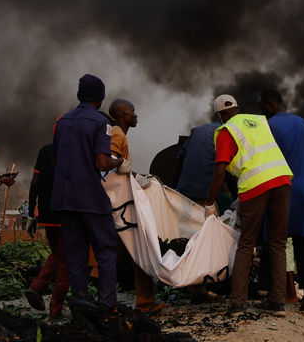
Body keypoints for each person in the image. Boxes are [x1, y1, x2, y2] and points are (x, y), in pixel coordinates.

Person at [204, 94, 293, 317]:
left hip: (256, 184)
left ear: (219, 116)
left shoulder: (227, 130)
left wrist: (208, 203)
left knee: (246, 243)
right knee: (277, 243)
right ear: (237, 107)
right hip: (282, 179)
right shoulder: (260, 122)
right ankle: (277, 303)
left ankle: (236, 305)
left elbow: (220, 170)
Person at [51, 74, 125, 314]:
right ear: (100, 98)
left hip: (64, 198)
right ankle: (106, 306)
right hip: (90, 198)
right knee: (106, 249)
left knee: (76, 255)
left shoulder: (62, 121)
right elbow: (102, 162)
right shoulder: (99, 122)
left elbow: (57, 158)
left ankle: (80, 308)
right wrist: (119, 161)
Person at [258, 89, 304, 311]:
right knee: (301, 243)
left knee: (273, 243)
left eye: (262, 107)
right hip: (303, 192)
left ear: (270, 104)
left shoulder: (268, 126)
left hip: (279, 190)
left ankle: (274, 295)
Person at [107, 99, 168, 313]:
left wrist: (134, 175)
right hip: (120, 205)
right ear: (121, 114)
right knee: (137, 251)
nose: (136, 115)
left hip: (120, 205)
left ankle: (139, 301)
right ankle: (142, 302)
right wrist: (132, 175)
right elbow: (109, 164)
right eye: (132, 111)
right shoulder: (117, 133)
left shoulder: (118, 133)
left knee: (125, 255)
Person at [24, 143, 69, 321]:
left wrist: (31, 214)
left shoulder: (44, 150)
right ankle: (55, 310)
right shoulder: (73, 149)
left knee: (58, 254)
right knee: (66, 262)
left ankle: (37, 287)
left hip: (47, 214)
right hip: (67, 212)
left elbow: (35, 182)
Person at [175, 122, 220, 203]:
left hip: (182, 192)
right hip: (203, 197)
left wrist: (174, 188)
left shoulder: (197, 130)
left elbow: (181, 158)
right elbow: (223, 172)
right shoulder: (225, 133)